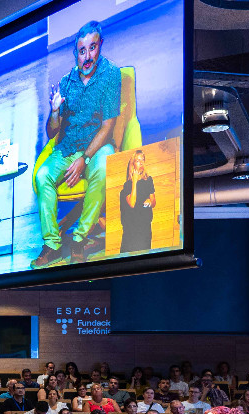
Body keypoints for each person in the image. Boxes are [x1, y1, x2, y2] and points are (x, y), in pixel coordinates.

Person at [32, 20, 121, 267]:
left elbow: (108, 125)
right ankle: (53, 243)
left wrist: (86, 159)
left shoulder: (111, 74)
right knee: (42, 177)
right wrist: (54, 112)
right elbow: (52, 133)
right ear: (76, 53)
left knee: (103, 168)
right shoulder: (66, 82)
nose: (88, 56)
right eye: (82, 51)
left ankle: (79, 239)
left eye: (92, 48)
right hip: (67, 148)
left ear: (99, 46)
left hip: (97, 146)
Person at [118, 149, 156, 252]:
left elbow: (154, 202)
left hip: (145, 227)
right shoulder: (127, 186)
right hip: (131, 229)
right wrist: (134, 181)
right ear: (133, 164)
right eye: (138, 160)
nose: (141, 163)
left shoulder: (148, 180)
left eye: (142, 160)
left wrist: (149, 201)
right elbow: (132, 203)